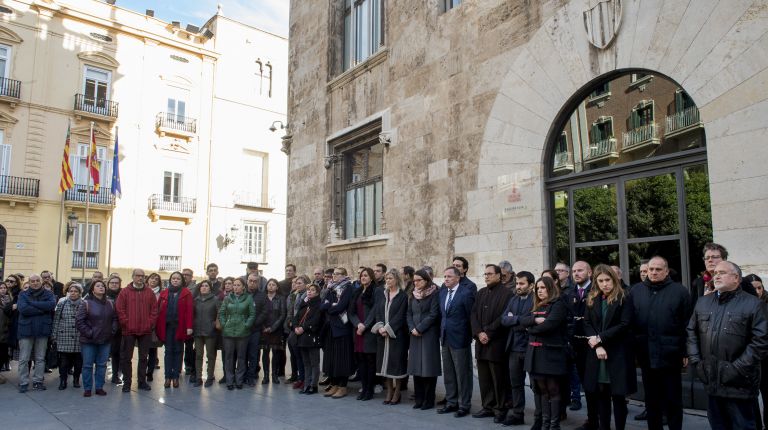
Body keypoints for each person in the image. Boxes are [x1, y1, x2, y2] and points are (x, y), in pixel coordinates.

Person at [687, 261, 768, 430]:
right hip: (711, 382)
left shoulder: (754, 304)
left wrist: (736, 369)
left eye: (722, 272)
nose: (716, 275)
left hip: (740, 386)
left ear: (736, 278)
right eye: (715, 272)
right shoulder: (702, 302)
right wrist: (697, 363)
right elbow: (691, 333)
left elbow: (760, 341)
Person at [630, 256, 690, 430]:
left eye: (658, 269)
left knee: (673, 399)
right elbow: (631, 323)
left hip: (671, 355)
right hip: (646, 354)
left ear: (666, 270)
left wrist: (685, 351)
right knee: (652, 400)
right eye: (651, 269)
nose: (654, 272)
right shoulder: (636, 291)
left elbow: (687, 323)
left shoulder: (680, 291)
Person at [583, 265, 636, 430]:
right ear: (596, 282)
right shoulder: (592, 298)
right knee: (601, 395)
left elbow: (625, 324)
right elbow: (587, 323)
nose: (604, 284)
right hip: (597, 354)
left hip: (618, 353)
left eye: (607, 280)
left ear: (614, 279)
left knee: (618, 397)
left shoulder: (624, 297)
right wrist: (598, 345)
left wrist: (600, 338)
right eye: (600, 281)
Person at [522, 276, 569, 430]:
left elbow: (549, 326)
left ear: (550, 288)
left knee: (553, 389)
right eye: (538, 288)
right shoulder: (536, 305)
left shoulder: (558, 304)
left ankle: (554, 426)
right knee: (541, 390)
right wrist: (533, 322)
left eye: (543, 288)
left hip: (551, 354)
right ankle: (545, 423)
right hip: (535, 353)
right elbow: (523, 321)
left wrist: (531, 327)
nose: (540, 291)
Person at [471, 264, 514, 423]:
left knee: (499, 378)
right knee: (484, 378)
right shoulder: (481, 292)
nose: (487, 276)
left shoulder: (507, 294)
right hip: (481, 342)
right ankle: (487, 406)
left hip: (496, 343)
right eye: (485, 274)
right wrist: (478, 332)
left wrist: (488, 333)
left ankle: (500, 408)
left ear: (499, 276)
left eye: (490, 274)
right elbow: (473, 314)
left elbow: (504, 317)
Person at [437, 266, 475, 417]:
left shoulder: (466, 294)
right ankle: (452, 402)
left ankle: (464, 405)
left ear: (458, 278)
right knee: (449, 373)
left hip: (460, 339)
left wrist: (469, 337)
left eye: (449, 277)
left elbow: (471, 317)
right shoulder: (442, 293)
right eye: (445, 276)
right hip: (445, 337)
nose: (446, 279)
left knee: (463, 374)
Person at [500, 271, 535, 426]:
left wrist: (514, 319)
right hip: (514, 348)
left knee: (536, 385)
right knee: (516, 384)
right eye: (517, 283)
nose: (518, 287)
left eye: (522, 284)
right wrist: (521, 320)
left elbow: (533, 320)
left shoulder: (536, 300)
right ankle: (517, 414)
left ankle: (541, 416)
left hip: (531, 347)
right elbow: (504, 320)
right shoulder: (513, 299)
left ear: (531, 285)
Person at [116, 268, 158, 392]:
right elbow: (120, 309)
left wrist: (150, 323)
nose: (140, 278)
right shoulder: (125, 292)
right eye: (138, 276)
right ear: (133, 277)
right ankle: (127, 383)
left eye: (142, 276)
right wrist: (126, 323)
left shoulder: (149, 292)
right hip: (129, 330)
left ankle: (141, 382)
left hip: (145, 330)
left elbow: (154, 310)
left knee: (143, 358)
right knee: (126, 358)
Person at [372, 269, 409, 405]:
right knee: (385, 365)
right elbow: (378, 312)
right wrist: (380, 327)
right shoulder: (383, 295)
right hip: (382, 336)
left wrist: (388, 329)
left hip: (397, 336)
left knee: (396, 365)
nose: (388, 281)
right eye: (387, 278)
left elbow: (401, 316)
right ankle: (389, 391)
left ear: (397, 280)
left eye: (391, 278)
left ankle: (397, 391)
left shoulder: (403, 296)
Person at [566, 260, 596, 429]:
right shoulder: (570, 293)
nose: (576, 273)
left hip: (594, 345)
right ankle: (591, 419)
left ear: (589, 272)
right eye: (574, 271)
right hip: (576, 346)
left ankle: (596, 419)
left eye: (580, 270)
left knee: (594, 386)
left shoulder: (597, 291)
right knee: (586, 383)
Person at [76, 279, 118, 397]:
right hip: (89, 340)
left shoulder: (110, 303)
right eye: (98, 286)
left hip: (106, 339)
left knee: (102, 364)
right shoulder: (86, 303)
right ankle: (88, 388)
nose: (101, 288)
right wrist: (90, 333)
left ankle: (99, 387)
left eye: (103, 286)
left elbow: (115, 318)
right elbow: (79, 321)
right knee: (88, 365)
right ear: (92, 289)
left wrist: (112, 330)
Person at [407, 269, 441, 410]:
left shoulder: (435, 293)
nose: (416, 283)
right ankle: (419, 399)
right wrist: (412, 328)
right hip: (414, 335)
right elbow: (408, 314)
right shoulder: (412, 295)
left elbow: (434, 314)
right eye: (414, 280)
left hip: (428, 334)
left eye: (419, 280)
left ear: (426, 280)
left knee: (429, 367)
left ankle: (429, 400)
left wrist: (420, 328)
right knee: (416, 368)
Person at [16, 274, 56, 392]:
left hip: (42, 330)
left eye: (37, 280)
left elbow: (51, 305)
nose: (35, 283)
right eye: (32, 281)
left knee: (40, 358)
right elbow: (23, 309)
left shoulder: (49, 294)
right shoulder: (23, 294)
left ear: (41, 281)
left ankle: (38, 381)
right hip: (26, 330)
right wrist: (42, 309)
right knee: (24, 358)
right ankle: (23, 382)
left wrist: (32, 304)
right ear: (29, 282)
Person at [320, 267, 354, 398]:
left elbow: (341, 306)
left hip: (342, 327)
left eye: (338, 274)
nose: (334, 276)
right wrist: (331, 306)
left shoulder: (348, 288)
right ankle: (334, 384)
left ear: (345, 275)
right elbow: (323, 305)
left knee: (341, 358)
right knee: (332, 358)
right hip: (330, 327)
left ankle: (342, 386)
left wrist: (331, 306)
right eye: (333, 274)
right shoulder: (331, 287)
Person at [156, 271, 193, 388]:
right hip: (167, 327)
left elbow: (190, 311)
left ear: (181, 280)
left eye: (178, 278)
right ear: (170, 280)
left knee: (178, 351)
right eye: (173, 278)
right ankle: (167, 377)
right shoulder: (164, 293)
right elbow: (158, 310)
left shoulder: (186, 293)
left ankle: (176, 377)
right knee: (168, 352)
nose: (175, 280)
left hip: (180, 327)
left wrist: (189, 327)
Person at [219, 277, 255, 390]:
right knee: (229, 357)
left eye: (238, 285)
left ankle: (239, 380)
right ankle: (229, 380)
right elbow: (222, 313)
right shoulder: (227, 298)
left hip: (243, 333)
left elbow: (252, 314)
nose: (235, 287)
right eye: (234, 285)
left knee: (241, 357)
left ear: (243, 287)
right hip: (228, 333)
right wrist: (224, 324)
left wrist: (246, 325)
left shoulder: (248, 298)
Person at [349, 267, 379, 401]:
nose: (363, 277)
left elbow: (375, 310)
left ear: (371, 277)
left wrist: (365, 325)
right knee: (361, 360)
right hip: (358, 330)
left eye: (366, 275)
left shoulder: (376, 291)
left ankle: (369, 390)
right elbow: (351, 312)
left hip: (369, 332)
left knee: (370, 361)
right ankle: (364, 388)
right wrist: (358, 324)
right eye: (362, 275)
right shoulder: (357, 291)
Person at [52, 282, 84, 390]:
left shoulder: (85, 304)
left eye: (76, 291)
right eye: (71, 291)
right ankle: (63, 381)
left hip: (79, 337)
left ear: (80, 293)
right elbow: (56, 320)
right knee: (64, 362)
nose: (73, 293)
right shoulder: (62, 303)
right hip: (64, 336)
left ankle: (76, 380)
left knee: (78, 363)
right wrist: (54, 335)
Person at [295, 283, 323, 394]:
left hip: (312, 337)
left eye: (312, 290)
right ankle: (306, 384)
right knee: (306, 363)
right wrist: (295, 327)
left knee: (314, 363)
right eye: (308, 290)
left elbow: (316, 320)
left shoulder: (318, 305)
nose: (309, 292)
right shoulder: (305, 303)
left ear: (317, 292)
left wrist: (303, 328)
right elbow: (296, 317)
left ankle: (313, 385)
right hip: (302, 338)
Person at [192, 280, 220, 388]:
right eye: (202, 286)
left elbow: (220, 313)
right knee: (198, 355)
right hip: (198, 331)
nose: (204, 287)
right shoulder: (196, 300)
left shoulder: (215, 299)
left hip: (210, 331)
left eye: (206, 286)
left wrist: (214, 324)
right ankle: (198, 377)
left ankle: (209, 377)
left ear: (210, 288)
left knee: (210, 355)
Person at [260, 278, 286, 384]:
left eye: (273, 284)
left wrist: (273, 327)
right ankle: (266, 376)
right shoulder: (262, 298)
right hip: (264, 329)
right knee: (265, 353)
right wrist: (263, 327)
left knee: (276, 353)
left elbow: (282, 314)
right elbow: (259, 313)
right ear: (266, 286)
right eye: (269, 284)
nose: (271, 286)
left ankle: (274, 375)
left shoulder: (281, 298)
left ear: (277, 287)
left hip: (276, 329)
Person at [244, 273, 268, 386]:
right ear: (247, 281)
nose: (252, 283)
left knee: (254, 354)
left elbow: (264, 312)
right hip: (242, 329)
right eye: (250, 280)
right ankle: (242, 375)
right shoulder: (242, 294)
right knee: (242, 354)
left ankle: (251, 376)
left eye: (255, 281)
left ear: (258, 283)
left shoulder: (263, 296)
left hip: (255, 330)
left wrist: (254, 322)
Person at [285, 275, 308, 388]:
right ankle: (299, 377)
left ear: (306, 284)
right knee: (295, 354)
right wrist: (291, 324)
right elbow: (291, 311)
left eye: (299, 283)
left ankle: (304, 379)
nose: (297, 285)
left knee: (301, 355)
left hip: (302, 327)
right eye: (296, 283)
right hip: (294, 326)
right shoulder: (295, 295)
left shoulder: (307, 295)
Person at [106, 275, 123, 385]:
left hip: (120, 328)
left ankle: (115, 375)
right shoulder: (102, 294)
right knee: (103, 353)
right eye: (112, 282)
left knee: (116, 353)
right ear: (108, 284)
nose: (114, 284)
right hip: (104, 327)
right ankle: (100, 375)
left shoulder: (123, 294)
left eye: (116, 283)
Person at [145, 273, 163, 382]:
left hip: (155, 326)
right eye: (152, 278)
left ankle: (149, 372)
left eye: (156, 279)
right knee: (143, 352)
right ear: (148, 280)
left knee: (152, 350)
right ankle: (142, 372)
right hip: (143, 325)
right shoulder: (142, 291)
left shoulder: (161, 294)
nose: (154, 280)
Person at [0, 281, 12, 375]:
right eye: (1, 288)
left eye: (4, 288)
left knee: (4, 354)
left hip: (6, 330)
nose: (3, 290)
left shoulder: (10, 300)